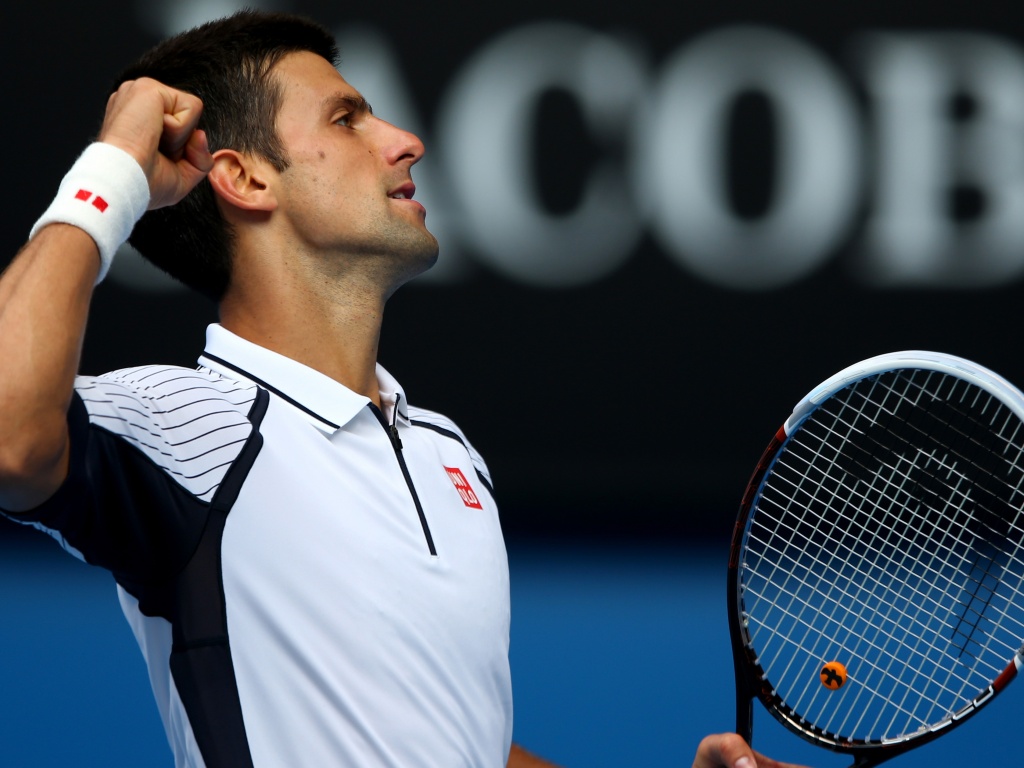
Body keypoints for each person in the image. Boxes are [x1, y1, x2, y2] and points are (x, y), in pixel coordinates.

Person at [0, 10, 805, 768]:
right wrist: (113, 169)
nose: (406, 141)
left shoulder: (449, 453)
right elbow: (10, 441)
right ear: (244, 179)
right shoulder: (180, 428)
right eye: (346, 120)